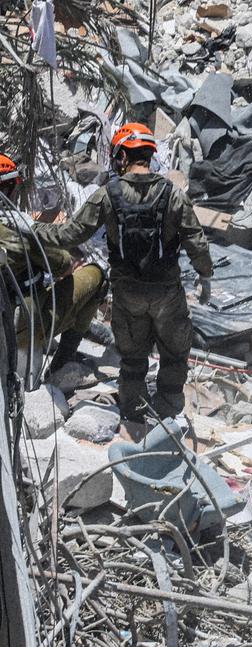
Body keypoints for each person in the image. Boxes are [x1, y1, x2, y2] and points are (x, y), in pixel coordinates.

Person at [36, 124, 212, 423]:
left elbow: (70, 234)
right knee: (174, 354)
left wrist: (32, 228)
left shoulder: (107, 195)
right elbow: (196, 241)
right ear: (149, 155)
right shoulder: (172, 194)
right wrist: (205, 276)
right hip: (167, 293)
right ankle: (168, 412)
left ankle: (133, 414)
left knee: (132, 359)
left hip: (127, 294)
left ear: (122, 156)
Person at [0, 152, 106, 377]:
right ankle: (60, 368)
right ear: (8, 189)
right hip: (21, 326)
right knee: (96, 276)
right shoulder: (18, 231)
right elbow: (63, 264)